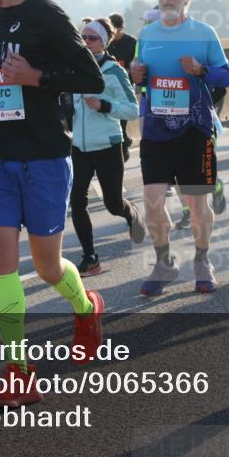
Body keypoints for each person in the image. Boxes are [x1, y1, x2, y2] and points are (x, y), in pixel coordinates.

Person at [0, 0, 106, 407]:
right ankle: (18, 370)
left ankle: (86, 307)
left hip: (42, 156)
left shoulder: (49, 17)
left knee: (45, 267)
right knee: (1, 266)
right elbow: (0, 77)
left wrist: (37, 79)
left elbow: (91, 79)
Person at [129, 0, 229, 296]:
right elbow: (140, 78)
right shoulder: (146, 34)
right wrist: (137, 75)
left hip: (194, 129)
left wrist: (201, 70)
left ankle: (202, 261)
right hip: (156, 130)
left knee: (197, 204)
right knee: (152, 203)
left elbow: (225, 75)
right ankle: (165, 262)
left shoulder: (203, 32)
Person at [69, 18, 146, 276]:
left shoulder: (114, 71)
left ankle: (131, 214)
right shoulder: (74, 69)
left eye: (92, 38)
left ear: (104, 42)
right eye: (83, 38)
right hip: (79, 147)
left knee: (113, 203)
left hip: (107, 145)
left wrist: (105, 106)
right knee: (77, 202)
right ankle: (90, 258)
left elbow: (132, 110)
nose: (86, 42)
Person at [106, 13, 138, 163]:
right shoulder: (105, 42)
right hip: (107, 89)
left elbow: (137, 64)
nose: (111, 34)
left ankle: (122, 153)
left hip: (125, 90)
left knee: (122, 122)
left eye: (114, 30)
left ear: (121, 29)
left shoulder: (132, 43)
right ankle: (123, 143)